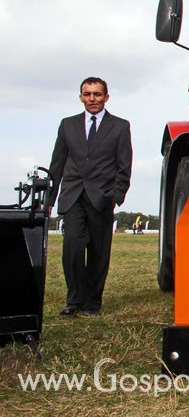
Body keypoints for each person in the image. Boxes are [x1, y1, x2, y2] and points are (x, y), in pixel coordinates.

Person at [48, 77, 133, 316]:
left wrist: (117, 194)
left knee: (98, 251)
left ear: (106, 97)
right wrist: (49, 200)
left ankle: (92, 301)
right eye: (87, 94)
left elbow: (124, 164)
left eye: (96, 94)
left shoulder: (120, 126)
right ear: (81, 97)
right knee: (73, 246)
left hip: (102, 197)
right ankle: (74, 300)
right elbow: (57, 164)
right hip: (73, 195)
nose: (92, 99)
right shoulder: (67, 125)